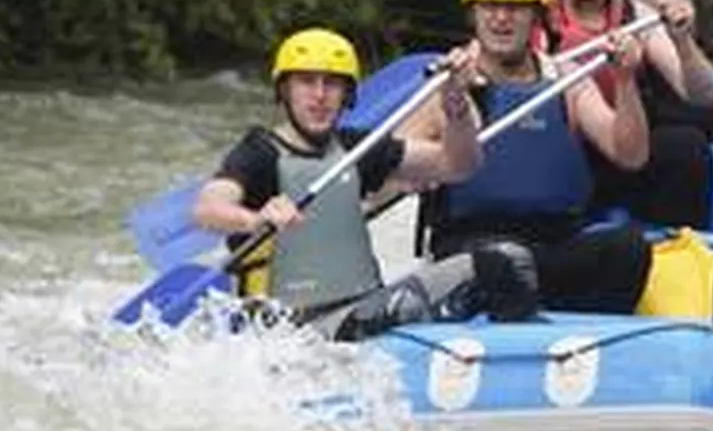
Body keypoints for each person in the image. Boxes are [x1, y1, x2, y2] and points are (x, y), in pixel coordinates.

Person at [192, 28, 536, 340]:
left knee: (506, 259)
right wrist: (254, 220)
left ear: (348, 94)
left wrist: (455, 102)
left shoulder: (359, 149)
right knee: (475, 274)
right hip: (292, 331)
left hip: (359, 308)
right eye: (307, 82)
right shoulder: (260, 152)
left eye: (332, 83)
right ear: (284, 90)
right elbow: (208, 208)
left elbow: (459, 165)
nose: (320, 95)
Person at [405, 0, 653, 314]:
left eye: (515, 8)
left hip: (555, 243)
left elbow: (631, 155)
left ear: (536, 16)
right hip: (474, 247)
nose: (501, 19)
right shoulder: (448, 83)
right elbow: (399, 167)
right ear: (473, 15)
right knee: (503, 261)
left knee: (629, 248)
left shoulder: (566, 80)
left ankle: (584, 335)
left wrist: (626, 80)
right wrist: (449, 109)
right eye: (489, 7)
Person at [545, 0, 713, 228]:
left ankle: (678, 252)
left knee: (687, 147)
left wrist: (683, 41)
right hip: (559, 151)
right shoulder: (538, 15)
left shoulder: (634, 15)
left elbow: (702, 94)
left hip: (622, 143)